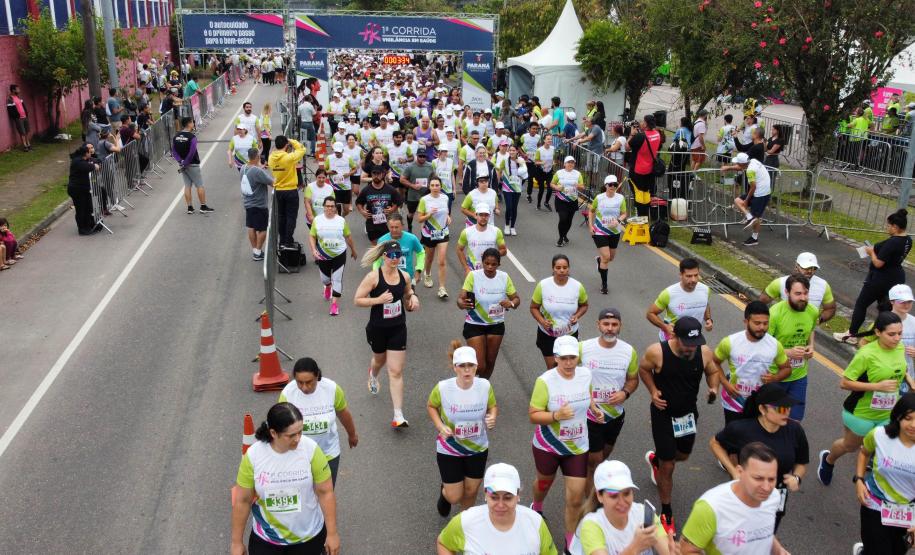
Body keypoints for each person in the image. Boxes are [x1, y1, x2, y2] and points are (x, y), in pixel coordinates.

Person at [639, 316, 720, 535]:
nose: (691, 348)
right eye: (687, 344)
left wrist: (713, 389)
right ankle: (666, 512)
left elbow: (712, 371)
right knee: (669, 465)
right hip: (663, 413)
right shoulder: (657, 352)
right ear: (675, 336)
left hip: (687, 415)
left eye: (695, 343)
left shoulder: (703, 352)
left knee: (682, 456)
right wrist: (653, 392)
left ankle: (656, 460)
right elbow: (644, 369)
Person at [230, 402, 340, 555]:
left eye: (300, 432)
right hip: (267, 540)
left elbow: (325, 493)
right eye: (291, 435)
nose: (298, 439)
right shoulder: (254, 455)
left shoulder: (311, 449)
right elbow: (243, 501)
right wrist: (236, 542)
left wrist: (332, 533)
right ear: (274, 433)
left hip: (308, 538)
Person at [528, 335, 603, 551]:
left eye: (573, 358)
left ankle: (570, 543)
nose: (569, 363)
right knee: (544, 484)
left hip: (577, 446)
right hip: (549, 445)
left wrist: (594, 408)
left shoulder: (585, 374)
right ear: (556, 358)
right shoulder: (545, 381)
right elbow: (533, 415)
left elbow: (587, 397)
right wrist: (555, 416)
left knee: (576, 498)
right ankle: (537, 505)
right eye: (564, 358)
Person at [818, 311, 911, 485]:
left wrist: (911, 382)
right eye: (891, 334)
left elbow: (900, 369)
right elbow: (844, 383)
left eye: (900, 333)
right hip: (861, 413)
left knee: (883, 447)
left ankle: (875, 482)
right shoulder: (866, 354)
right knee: (850, 446)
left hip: (888, 413)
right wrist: (876, 387)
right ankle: (828, 460)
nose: (897, 338)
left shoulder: (899, 347)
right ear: (877, 332)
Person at [710, 384, 809, 532]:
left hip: (776, 496)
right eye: (781, 408)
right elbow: (715, 443)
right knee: (739, 534)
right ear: (763, 409)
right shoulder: (741, 429)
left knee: (766, 534)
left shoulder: (795, 430)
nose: (787, 412)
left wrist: (797, 477)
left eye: (789, 407)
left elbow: (801, 462)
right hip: (745, 494)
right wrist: (733, 471)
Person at [354, 240, 420, 428]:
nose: (394, 259)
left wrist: (413, 298)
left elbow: (408, 294)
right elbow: (357, 300)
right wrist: (378, 299)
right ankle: (373, 374)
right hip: (378, 328)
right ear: (384, 257)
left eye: (397, 255)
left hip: (398, 327)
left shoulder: (405, 276)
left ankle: (398, 415)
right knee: (379, 360)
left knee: (396, 371)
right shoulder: (373, 277)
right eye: (391, 256)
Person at [680, 442, 789, 555]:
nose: (767, 488)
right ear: (740, 472)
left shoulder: (774, 496)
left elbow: (764, 531)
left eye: (771, 479)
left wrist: (778, 550)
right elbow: (687, 550)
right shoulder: (711, 507)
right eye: (758, 478)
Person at [428, 343, 498, 516]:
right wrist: (440, 426)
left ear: (476, 366)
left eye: (471, 366)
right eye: (462, 366)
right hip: (450, 447)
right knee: (454, 497)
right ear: (455, 367)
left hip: (477, 447)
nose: (467, 370)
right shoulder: (443, 388)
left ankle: (463, 522)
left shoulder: (484, 386)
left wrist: (492, 416)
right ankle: (445, 492)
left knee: (471, 491)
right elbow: (431, 406)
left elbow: (493, 406)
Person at [436, 462, 557, 555]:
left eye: (508, 498)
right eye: (494, 497)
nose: (500, 505)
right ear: (485, 494)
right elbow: (444, 544)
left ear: (518, 495)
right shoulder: (466, 521)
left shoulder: (535, 522)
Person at [579, 308, 639, 487]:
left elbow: (633, 379)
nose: (610, 328)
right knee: (595, 460)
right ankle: (590, 503)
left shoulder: (629, 351)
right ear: (598, 325)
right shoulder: (583, 348)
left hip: (615, 414)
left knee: (603, 455)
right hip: (590, 414)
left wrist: (625, 393)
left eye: (614, 324)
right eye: (606, 324)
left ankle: (589, 479)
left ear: (620, 326)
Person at [835, 209, 913, 344]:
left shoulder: (892, 242)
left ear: (895, 227)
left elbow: (878, 263)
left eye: (888, 225)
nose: (886, 228)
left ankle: (852, 334)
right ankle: (883, 337)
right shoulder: (908, 240)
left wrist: (871, 252)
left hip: (880, 278)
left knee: (861, 304)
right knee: (885, 309)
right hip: (896, 277)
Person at [851, 392, 915, 555]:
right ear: (898, 417)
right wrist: (859, 479)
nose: (913, 425)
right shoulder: (880, 434)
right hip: (875, 505)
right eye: (908, 418)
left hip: (907, 513)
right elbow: (864, 453)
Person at [278, 358, 358, 486]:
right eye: (299, 382)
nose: (304, 387)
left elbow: (343, 414)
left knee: (326, 493)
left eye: (309, 382)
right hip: (298, 455)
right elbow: (281, 427)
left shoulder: (331, 389)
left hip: (328, 453)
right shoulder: (288, 394)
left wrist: (352, 434)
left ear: (317, 377)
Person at [568, 460, 673, 555]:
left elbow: (666, 550)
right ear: (599, 496)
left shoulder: (642, 513)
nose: (622, 502)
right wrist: (635, 547)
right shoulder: (591, 525)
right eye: (613, 496)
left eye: (626, 493)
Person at [714, 301, 792, 424]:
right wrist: (725, 384)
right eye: (757, 323)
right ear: (746, 322)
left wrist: (775, 378)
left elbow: (787, 369)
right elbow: (714, 363)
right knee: (734, 439)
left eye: (765, 323)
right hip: (734, 401)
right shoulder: (730, 342)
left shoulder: (774, 345)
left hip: (760, 402)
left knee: (756, 440)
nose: (762, 327)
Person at [764, 273, 820, 422]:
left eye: (806, 293)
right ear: (787, 293)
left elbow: (811, 330)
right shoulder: (775, 313)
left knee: (794, 421)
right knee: (775, 420)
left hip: (799, 377)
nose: (803, 298)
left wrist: (811, 346)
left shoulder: (812, 311)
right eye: (798, 294)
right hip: (777, 376)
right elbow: (763, 345)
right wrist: (788, 352)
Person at [458, 248, 520, 380]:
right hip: (474, 323)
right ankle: (472, 384)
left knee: (490, 362)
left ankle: (483, 387)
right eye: (487, 263)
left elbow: (516, 299)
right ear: (482, 262)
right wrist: (461, 303)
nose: (490, 267)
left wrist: (511, 303)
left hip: (496, 324)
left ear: (499, 264)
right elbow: (460, 299)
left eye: (493, 264)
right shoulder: (473, 276)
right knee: (480, 365)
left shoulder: (504, 277)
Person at [530, 254, 589, 369]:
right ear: (553, 268)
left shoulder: (577, 286)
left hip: (569, 334)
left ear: (568, 268)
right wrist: (542, 321)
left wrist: (577, 316)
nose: (562, 270)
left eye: (565, 267)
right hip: (548, 334)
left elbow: (584, 305)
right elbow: (533, 307)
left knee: (567, 368)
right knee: (553, 368)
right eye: (558, 268)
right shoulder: (543, 285)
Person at [309, 197, 357, 316]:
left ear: (335, 208)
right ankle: (327, 286)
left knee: (337, 279)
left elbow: (348, 236)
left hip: (339, 254)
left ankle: (334, 305)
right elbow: (312, 236)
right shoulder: (317, 220)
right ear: (323, 207)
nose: (329, 208)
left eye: (332, 206)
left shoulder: (341, 220)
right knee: (325, 279)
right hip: (323, 255)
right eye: (327, 206)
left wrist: (353, 250)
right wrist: (314, 250)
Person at [647, 258, 713, 341]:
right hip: (672, 339)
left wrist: (708, 319)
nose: (693, 279)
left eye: (696, 275)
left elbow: (705, 304)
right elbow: (650, 313)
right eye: (689, 276)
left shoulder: (705, 290)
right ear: (681, 275)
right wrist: (665, 327)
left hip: (693, 339)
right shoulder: (669, 293)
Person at [760, 251, 837, 323]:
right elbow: (760, 302)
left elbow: (830, 308)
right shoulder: (780, 283)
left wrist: (819, 319)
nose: (810, 271)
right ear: (796, 266)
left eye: (814, 268)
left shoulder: (823, 285)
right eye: (806, 268)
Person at [721, 152, 771, 246]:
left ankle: (754, 238)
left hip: (761, 194)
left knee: (756, 217)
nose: (737, 165)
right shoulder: (753, 161)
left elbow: (753, 187)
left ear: (742, 163)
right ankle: (749, 217)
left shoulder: (750, 170)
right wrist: (729, 168)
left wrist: (747, 200)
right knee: (737, 200)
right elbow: (741, 167)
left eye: (738, 163)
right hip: (762, 190)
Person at [589, 175, 627, 295]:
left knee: (610, 258)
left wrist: (619, 221)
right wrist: (590, 226)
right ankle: (604, 285)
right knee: (606, 257)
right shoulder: (599, 198)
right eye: (610, 185)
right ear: (605, 185)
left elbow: (624, 213)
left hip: (615, 231)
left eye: (615, 185)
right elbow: (591, 211)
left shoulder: (620, 198)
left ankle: (599, 260)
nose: (612, 187)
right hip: (600, 231)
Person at [268, 135, 307, 247]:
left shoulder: (271, 158)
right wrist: (291, 140)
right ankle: (288, 240)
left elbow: (275, 152)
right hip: (290, 190)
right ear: (286, 145)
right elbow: (302, 149)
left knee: (281, 216)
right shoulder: (289, 158)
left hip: (279, 190)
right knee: (291, 217)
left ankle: (282, 239)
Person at [170, 116, 213, 215]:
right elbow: (192, 151)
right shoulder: (192, 137)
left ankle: (190, 207)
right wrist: (186, 162)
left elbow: (174, 151)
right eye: (192, 123)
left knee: (187, 185)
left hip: (182, 165)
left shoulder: (176, 136)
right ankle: (203, 206)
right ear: (189, 124)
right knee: (199, 185)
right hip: (192, 164)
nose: (193, 124)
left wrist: (181, 161)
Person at [417, 177, 451, 298]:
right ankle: (427, 274)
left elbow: (446, 212)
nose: (435, 187)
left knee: (441, 261)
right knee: (429, 259)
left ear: (440, 186)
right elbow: (419, 219)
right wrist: (429, 214)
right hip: (428, 233)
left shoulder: (445, 198)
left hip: (443, 232)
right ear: (429, 187)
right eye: (433, 185)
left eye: (437, 185)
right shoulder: (424, 200)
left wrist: (448, 218)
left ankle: (442, 288)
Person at [627, 114, 665, 217]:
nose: (641, 123)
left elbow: (627, 147)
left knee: (638, 194)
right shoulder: (657, 134)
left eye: (643, 122)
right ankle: (645, 216)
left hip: (637, 170)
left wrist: (632, 134)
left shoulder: (640, 136)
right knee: (646, 193)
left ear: (646, 124)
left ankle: (639, 216)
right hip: (649, 170)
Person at [240, 147, 273, 262]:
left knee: (251, 227)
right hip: (259, 204)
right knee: (262, 229)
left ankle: (255, 250)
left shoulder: (243, 168)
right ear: (257, 157)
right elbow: (272, 182)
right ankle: (258, 252)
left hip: (248, 203)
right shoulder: (257, 171)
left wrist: (260, 167)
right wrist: (261, 168)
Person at [355, 167, 403, 246]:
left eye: (378, 174)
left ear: (383, 175)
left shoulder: (390, 189)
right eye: (374, 174)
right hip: (372, 223)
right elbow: (358, 202)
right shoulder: (366, 190)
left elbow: (399, 202)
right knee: (375, 247)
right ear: (371, 175)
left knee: (388, 245)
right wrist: (362, 212)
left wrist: (392, 209)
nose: (376, 176)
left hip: (387, 223)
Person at [373, 213, 424, 285]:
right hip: (387, 279)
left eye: (396, 227)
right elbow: (377, 260)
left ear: (402, 226)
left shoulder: (412, 238)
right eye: (391, 227)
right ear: (388, 226)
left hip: (407, 278)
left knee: (410, 296)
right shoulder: (382, 240)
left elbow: (421, 253)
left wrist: (418, 270)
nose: (394, 230)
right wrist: (375, 273)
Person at [456, 203, 507, 275]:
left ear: (489, 216)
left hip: (490, 270)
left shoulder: (496, 231)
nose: (483, 217)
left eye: (486, 215)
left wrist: (491, 254)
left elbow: (504, 250)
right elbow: (459, 249)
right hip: (472, 271)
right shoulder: (467, 232)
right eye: (481, 215)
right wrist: (466, 268)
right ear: (476, 215)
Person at [886, 284, 915, 393]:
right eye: (902, 301)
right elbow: (864, 343)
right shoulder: (883, 321)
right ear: (892, 301)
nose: (906, 305)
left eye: (909, 301)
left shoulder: (914, 322)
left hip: (908, 378)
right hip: (885, 376)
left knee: (905, 409)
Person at [550, 155, 584, 247]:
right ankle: (561, 238)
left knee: (569, 220)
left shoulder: (577, 174)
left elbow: (582, 187)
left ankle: (564, 234)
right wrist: (557, 187)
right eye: (569, 162)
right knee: (563, 218)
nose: (570, 164)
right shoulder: (559, 173)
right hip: (561, 199)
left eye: (572, 162)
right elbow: (552, 184)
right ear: (564, 164)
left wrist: (578, 186)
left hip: (572, 200)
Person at [67, 145, 101, 235]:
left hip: (84, 188)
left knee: (88, 207)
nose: (91, 153)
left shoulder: (83, 159)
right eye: (90, 152)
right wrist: (94, 166)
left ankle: (90, 224)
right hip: (77, 189)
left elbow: (95, 160)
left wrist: (97, 162)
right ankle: (82, 229)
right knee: (81, 209)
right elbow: (87, 167)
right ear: (86, 153)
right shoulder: (77, 161)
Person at [400, 147, 435, 233]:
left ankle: (426, 230)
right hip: (413, 195)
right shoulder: (410, 167)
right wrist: (412, 185)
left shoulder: (430, 166)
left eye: (424, 156)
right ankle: (409, 227)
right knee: (411, 214)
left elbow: (434, 177)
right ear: (417, 156)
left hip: (426, 194)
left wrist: (430, 184)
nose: (422, 158)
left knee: (427, 213)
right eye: (420, 156)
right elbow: (402, 179)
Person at [496, 145, 527, 236]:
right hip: (507, 187)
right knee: (509, 207)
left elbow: (525, 173)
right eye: (510, 150)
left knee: (514, 208)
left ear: (517, 151)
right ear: (508, 151)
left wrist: (521, 165)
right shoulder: (505, 161)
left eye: (514, 150)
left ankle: (512, 227)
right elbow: (499, 171)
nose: (512, 152)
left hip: (517, 188)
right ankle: (506, 225)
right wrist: (497, 184)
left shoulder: (521, 160)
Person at [325, 142, 357, 216]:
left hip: (346, 187)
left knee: (346, 210)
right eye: (336, 152)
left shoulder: (348, 158)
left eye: (339, 152)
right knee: (335, 208)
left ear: (342, 150)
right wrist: (329, 172)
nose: (337, 153)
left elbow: (354, 169)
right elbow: (323, 171)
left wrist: (348, 174)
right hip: (334, 187)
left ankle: (342, 217)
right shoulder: (329, 158)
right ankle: (338, 221)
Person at [535, 134, 556, 211]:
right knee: (541, 189)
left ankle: (546, 202)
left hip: (549, 171)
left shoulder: (553, 149)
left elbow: (553, 158)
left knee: (550, 188)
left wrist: (553, 162)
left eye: (550, 139)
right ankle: (538, 204)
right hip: (541, 171)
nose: (549, 141)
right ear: (544, 140)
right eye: (548, 139)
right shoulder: (539, 150)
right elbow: (536, 162)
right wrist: (541, 163)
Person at [6, 84, 30, 151]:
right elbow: (10, 110)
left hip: (25, 117)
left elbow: (23, 106)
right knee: (22, 132)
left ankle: (28, 144)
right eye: (17, 89)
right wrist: (16, 116)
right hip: (18, 118)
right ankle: (25, 146)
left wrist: (26, 113)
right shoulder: (10, 99)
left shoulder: (19, 97)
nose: (19, 90)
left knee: (27, 131)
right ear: (13, 90)